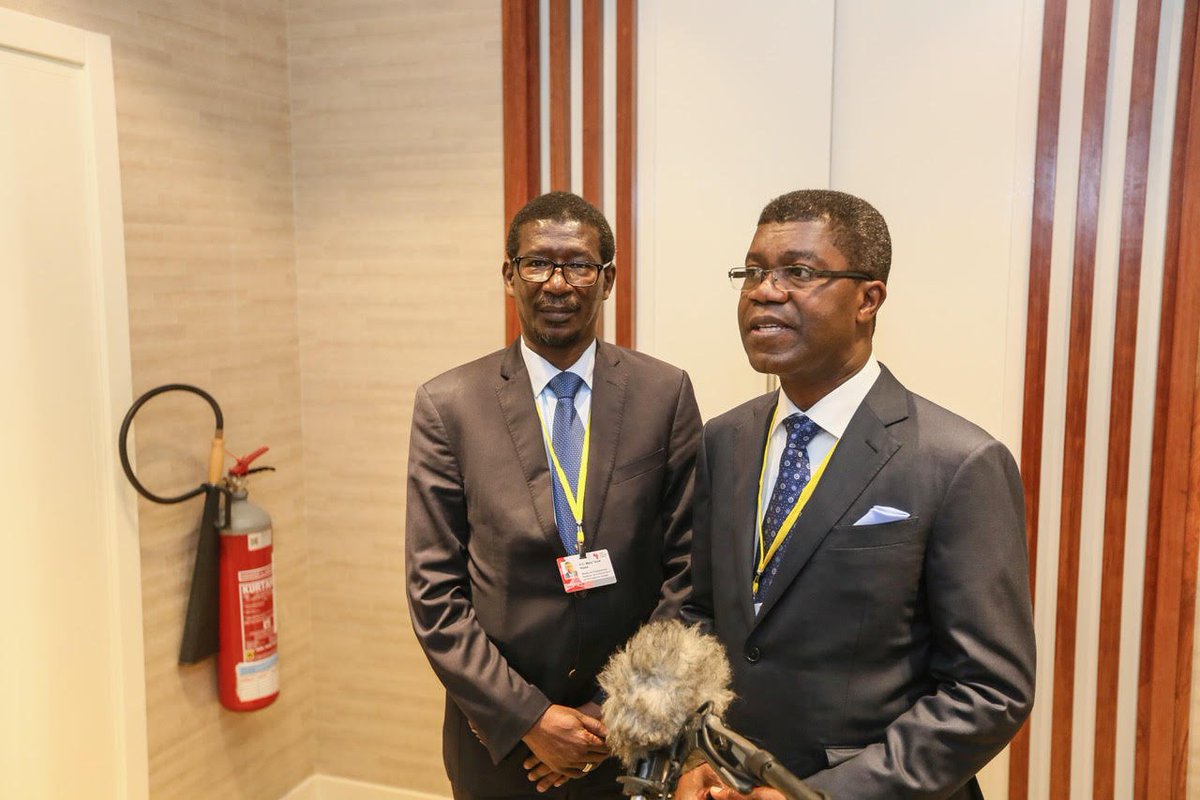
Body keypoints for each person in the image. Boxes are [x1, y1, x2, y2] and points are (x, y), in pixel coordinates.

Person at [678, 190, 1036, 800]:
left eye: (798, 272)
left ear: (868, 299)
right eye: (754, 272)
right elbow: (698, 614)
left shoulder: (960, 462)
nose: (765, 291)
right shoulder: (723, 439)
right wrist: (693, 754)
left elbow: (988, 691)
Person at [406, 191, 702, 799]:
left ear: (608, 279)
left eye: (579, 265)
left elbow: (690, 571)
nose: (558, 283)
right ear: (509, 275)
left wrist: (616, 712)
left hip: (631, 738)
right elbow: (433, 592)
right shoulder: (449, 405)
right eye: (538, 263)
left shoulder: (664, 394)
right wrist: (530, 720)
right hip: (500, 742)